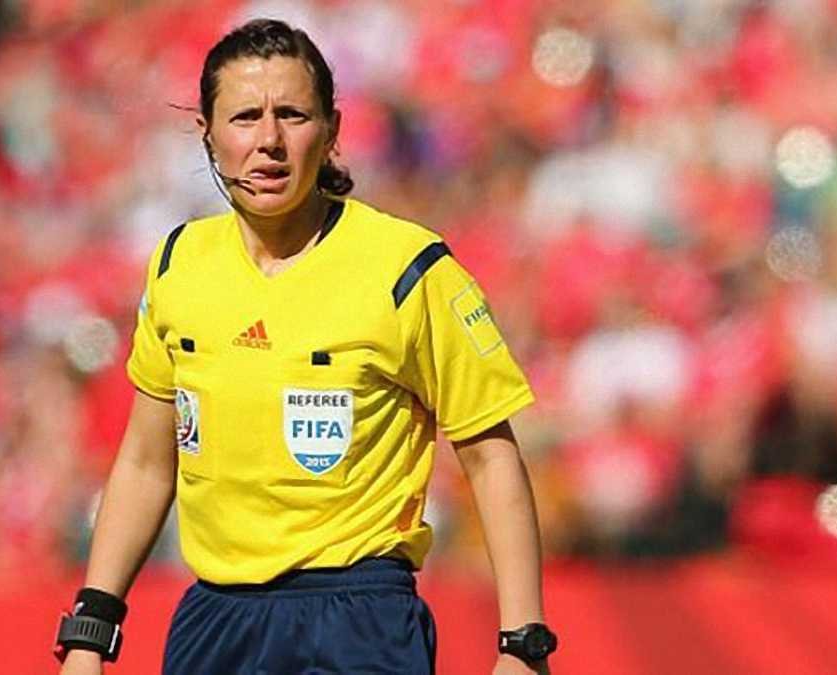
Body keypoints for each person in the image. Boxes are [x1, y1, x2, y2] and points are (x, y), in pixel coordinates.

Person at [55, 18, 556, 675]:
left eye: (291, 115)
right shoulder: (179, 264)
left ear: (332, 130)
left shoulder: (408, 269)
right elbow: (148, 463)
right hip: (216, 621)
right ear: (207, 133)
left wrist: (523, 643)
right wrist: (91, 630)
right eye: (244, 117)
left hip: (358, 618)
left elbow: (491, 458)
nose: (268, 141)